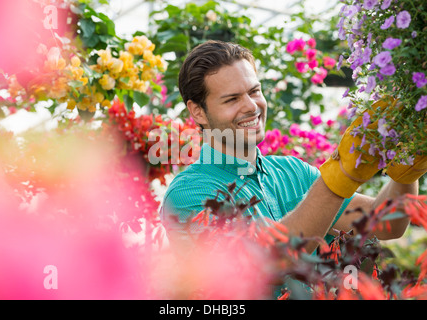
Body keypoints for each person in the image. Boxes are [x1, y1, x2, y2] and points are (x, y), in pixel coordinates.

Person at [160, 40, 427, 254]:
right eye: (232, 99)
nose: (252, 106)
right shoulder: (189, 195)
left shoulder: (292, 171)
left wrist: (406, 166)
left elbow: (384, 224)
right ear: (198, 112)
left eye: (254, 91)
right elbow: (268, 262)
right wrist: (340, 176)